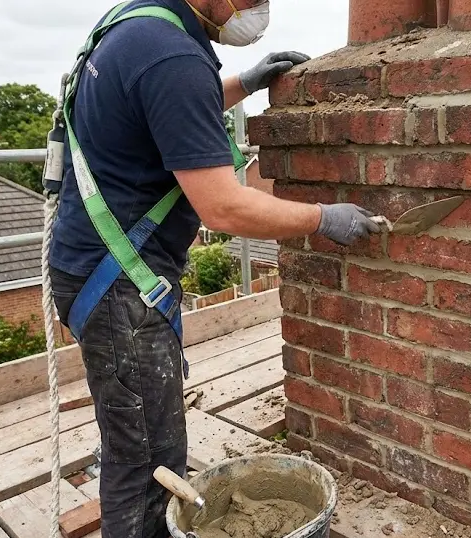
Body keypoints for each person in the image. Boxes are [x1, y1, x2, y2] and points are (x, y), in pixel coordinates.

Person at [47, 0, 378, 536]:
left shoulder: (136, 27)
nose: (258, 10)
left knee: (137, 439)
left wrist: (242, 83)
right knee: (149, 458)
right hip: (117, 288)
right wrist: (323, 217)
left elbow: (166, 111)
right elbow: (223, 207)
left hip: (94, 271)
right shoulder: (170, 54)